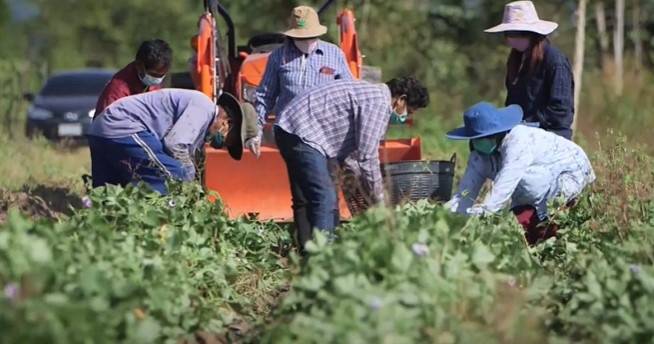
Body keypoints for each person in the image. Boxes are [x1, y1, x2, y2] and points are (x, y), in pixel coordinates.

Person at [275, 77, 429, 250]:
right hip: (303, 132)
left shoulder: (371, 94)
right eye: (409, 110)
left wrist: (358, 189)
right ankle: (324, 257)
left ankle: (309, 250)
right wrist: (379, 200)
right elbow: (367, 158)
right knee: (324, 197)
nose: (406, 116)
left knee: (309, 197)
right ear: (401, 99)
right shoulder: (378, 103)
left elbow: (352, 158)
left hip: (290, 128)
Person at [444, 102, 595, 245]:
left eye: (483, 138)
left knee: (549, 229)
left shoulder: (518, 141)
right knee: (522, 232)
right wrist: (443, 216)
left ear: (497, 133)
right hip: (533, 183)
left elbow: (502, 191)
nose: (479, 143)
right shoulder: (479, 156)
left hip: (567, 172)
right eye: (476, 139)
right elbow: (464, 194)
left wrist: (477, 216)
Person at [88, 89, 257, 194]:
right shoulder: (203, 107)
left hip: (101, 130)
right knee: (175, 173)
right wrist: (190, 180)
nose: (222, 145)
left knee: (107, 194)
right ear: (227, 122)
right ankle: (149, 219)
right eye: (229, 141)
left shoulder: (198, 127)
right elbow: (174, 144)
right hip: (123, 127)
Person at [248, 5, 354, 156]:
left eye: (310, 36)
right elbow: (265, 97)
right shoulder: (278, 57)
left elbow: (350, 92)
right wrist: (255, 130)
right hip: (290, 131)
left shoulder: (335, 54)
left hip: (325, 131)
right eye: (301, 38)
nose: (306, 41)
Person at [485, 1, 575, 139]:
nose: (509, 40)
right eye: (507, 34)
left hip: (551, 135)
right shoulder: (518, 61)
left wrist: (528, 124)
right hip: (521, 134)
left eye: (513, 33)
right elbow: (513, 104)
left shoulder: (555, 61)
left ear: (531, 34)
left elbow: (561, 111)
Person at [94, 39, 173, 116]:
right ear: (139, 66)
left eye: (161, 75)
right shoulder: (117, 91)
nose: (157, 79)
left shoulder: (153, 86)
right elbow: (107, 124)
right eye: (154, 75)